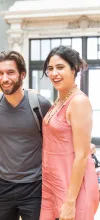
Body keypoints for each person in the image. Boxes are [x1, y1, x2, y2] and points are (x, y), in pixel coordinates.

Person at [0, 50, 52, 220]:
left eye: (10, 72)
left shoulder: (40, 104)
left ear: (22, 74)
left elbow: (58, 139)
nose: (5, 78)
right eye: (0, 73)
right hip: (3, 186)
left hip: (35, 186)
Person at [40, 45, 99, 220]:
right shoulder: (60, 99)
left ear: (73, 69)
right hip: (53, 183)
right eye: (50, 69)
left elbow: (81, 156)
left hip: (73, 188)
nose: (54, 73)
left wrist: (70, 201)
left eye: (60, 67)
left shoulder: (78, 101)